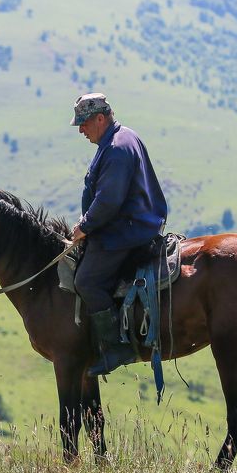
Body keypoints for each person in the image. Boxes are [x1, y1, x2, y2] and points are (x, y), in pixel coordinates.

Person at [69, 93, 168, 376]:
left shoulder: (115, 149)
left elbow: (109, 201)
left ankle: (117, 347)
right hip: (130, 225)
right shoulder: (123, 137)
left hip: (125, 232)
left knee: (86, 281)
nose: (81, 130)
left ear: (101, 118)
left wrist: (84, 227)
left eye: (84, 123)